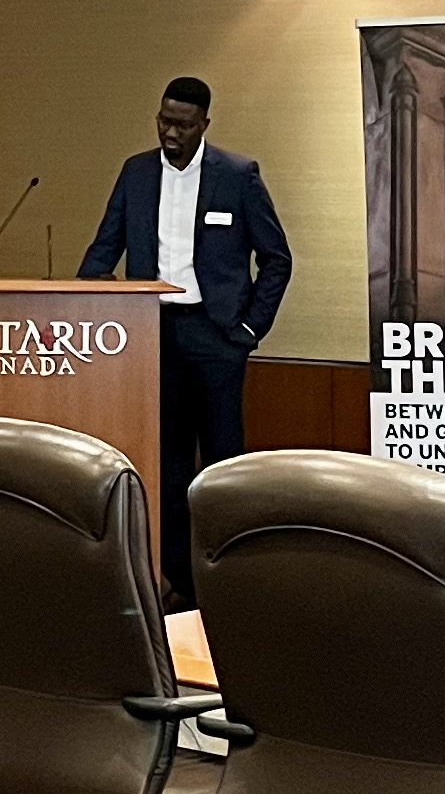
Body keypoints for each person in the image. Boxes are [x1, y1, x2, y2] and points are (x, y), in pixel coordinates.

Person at [79, 76, 293, 609]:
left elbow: (276, 259)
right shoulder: (136, 173)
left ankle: (228, 579)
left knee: (221, 463)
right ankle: (178, 581)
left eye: (182, 124)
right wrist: (82, 304)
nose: (170, 132)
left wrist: (247, 330)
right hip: (152, 334)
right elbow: (102, 251)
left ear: (204, 124)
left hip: (216, 337)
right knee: (167, 464)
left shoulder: (237, 176)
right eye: (163, 121)